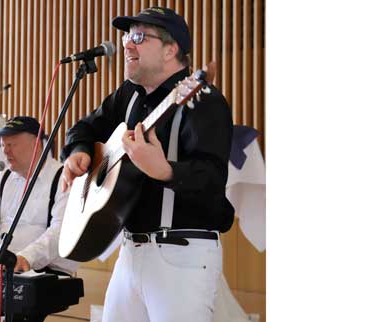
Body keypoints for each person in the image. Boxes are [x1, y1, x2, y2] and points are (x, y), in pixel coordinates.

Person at [61, 7, 234, 322]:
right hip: (129, 254)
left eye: (139, 36)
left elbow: (212, 181)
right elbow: (83, 128)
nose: (127, 43)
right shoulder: (130, 95)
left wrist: (166, 171)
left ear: (171, 50)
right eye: (127, 35)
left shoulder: (204, 100)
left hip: (181, 257)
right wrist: (78, 153)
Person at [0, 116, 78, 276]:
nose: (5, 151)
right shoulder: (2, 179)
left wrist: (26, 258)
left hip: (49, 276)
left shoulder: (64, 178)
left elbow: (60, 232)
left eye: (11, 145)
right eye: (3, 145)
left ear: (37, 144)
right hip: (5, 273)